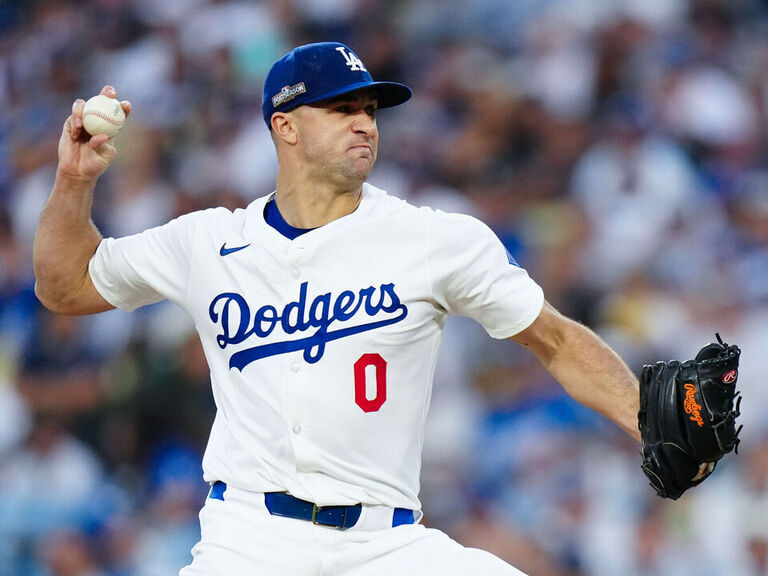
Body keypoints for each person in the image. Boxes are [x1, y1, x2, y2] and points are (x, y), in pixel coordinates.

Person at [34, 42, 642, 575]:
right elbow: (64, 288)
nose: (365, 125)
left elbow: (556, 340)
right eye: (342, 109)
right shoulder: (208, 243)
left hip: (387, 544)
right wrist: (74, 179)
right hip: (250, 540)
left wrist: (647, 419)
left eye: (370, 112)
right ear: (285, 127)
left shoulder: (431, 238)